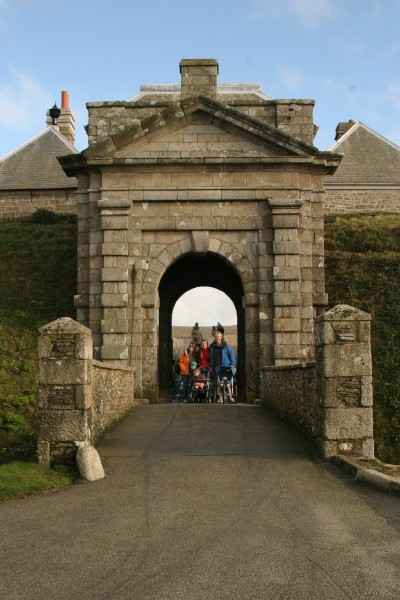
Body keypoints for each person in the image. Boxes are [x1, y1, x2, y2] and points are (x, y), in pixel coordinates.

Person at [209, 330, 236, 403]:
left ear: (221, 337)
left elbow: (232, 357)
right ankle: (220, 398)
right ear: (214, 337)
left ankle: (230, 397)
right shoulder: (212, 347)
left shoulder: (227, 347)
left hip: (225, 367)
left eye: (219, 336)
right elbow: (211, 357)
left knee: (228, 383)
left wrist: (232, 366)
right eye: (216, 336)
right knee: (218, 383)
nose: (217, 337)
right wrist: (211, 366)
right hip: (216, 368)